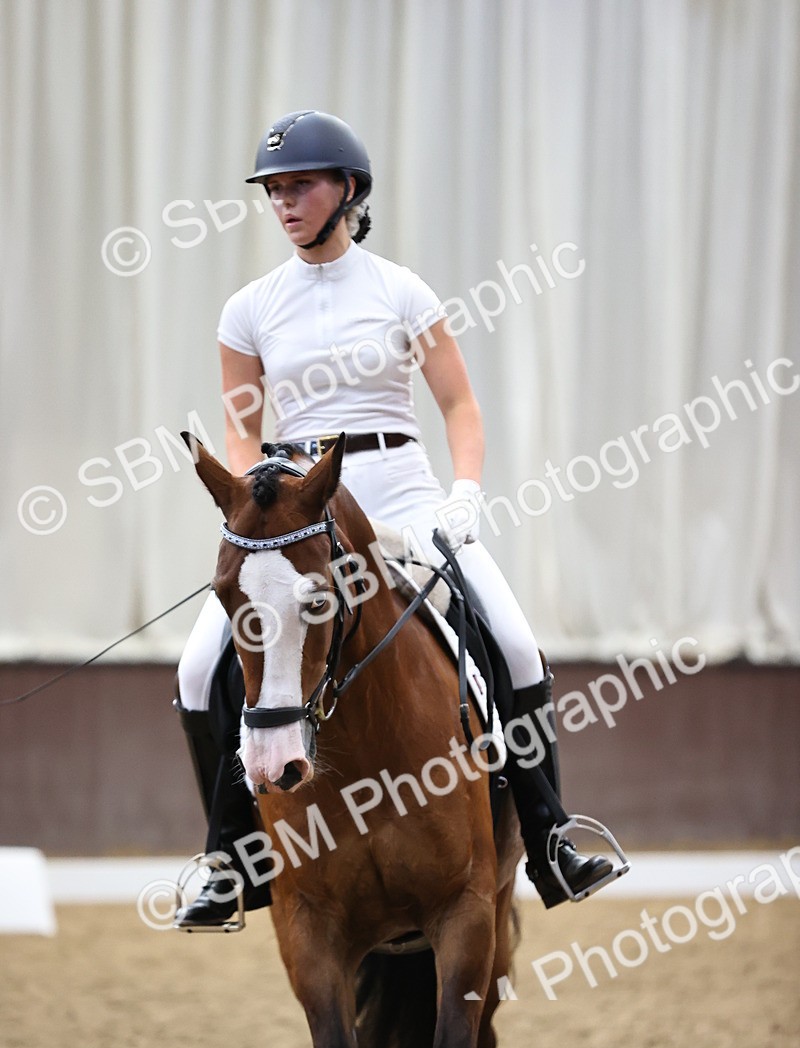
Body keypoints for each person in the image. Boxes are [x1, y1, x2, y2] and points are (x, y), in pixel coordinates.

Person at [174, 110, 616, 929]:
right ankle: (229, 860)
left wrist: (465, 492)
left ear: (348, 189)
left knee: (516, 646)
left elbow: (460, 406)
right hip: (300, 509)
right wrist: (254, 500)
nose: (284, 201)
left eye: (301, 185)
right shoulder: (248, 308)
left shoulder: (402, 291)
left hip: (403, 496)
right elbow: (241, 428)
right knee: (197, 669)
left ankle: (549, 837)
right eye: (275, 189)